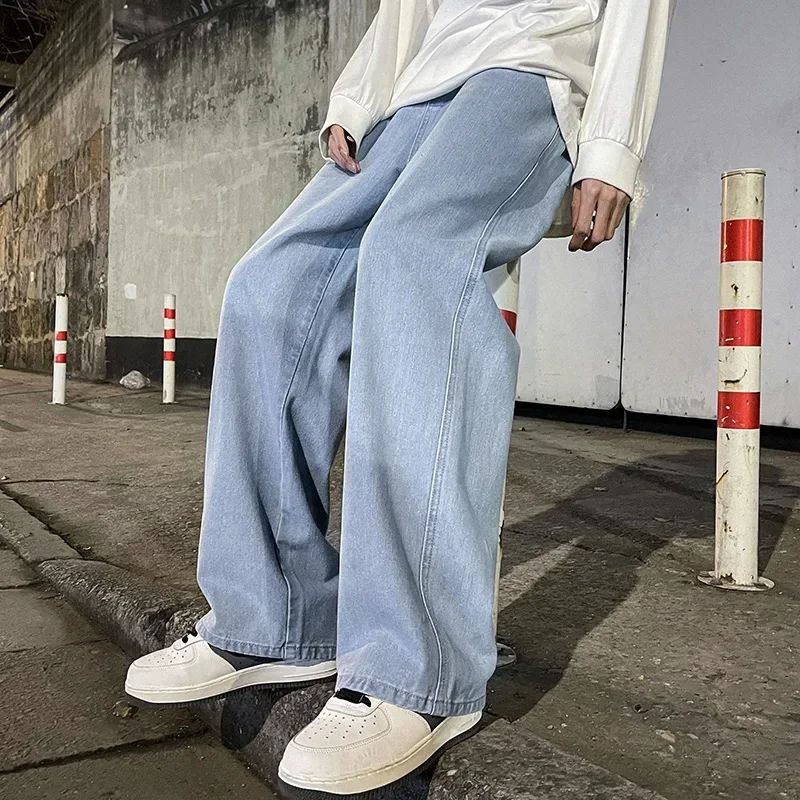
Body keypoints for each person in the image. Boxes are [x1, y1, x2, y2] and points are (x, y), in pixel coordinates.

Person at [125, 0, 672, 794]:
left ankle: (420, 666)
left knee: (412, 256)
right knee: (270, 287)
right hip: (422, 81)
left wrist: (613, 145)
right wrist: (358, 96)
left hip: (536, 65)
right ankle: (272, 617)